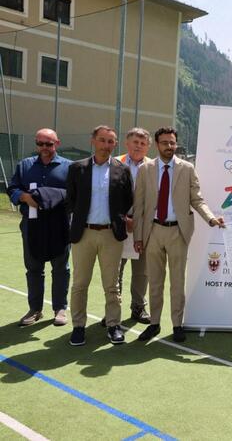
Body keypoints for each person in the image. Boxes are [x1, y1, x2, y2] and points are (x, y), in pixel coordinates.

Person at [133, 127, 224, 343]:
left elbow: (197, 199)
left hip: (178, 231)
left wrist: (211, 218)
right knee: (155, 281)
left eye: (172, 142)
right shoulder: (145, 169)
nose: (169, 146)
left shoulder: (187, 169)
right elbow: (139, 206)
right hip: (153, 231)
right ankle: (154, 323)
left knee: (177, 281)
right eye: (165, 142)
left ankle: (177, 324)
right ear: (157, 144)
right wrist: (138, 236)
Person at [66, 125, 133, 346]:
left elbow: (128, 200)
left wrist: (120, 219)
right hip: (83, 233)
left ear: (115, 144)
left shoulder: (122, 170)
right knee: (80, 284)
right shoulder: (77, 168)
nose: (106, 145)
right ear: (93, 141)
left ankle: (113, 325)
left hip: (110, 235)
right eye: (102, 140)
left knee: (111, 285)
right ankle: (78, 327)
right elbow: (71, 199)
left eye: (111, 141)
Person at [7, 128, 71, 326]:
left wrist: (50, 196)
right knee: (34, 268)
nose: (44, 148)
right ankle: (35, 309)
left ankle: (60, 308)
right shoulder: (25, 165)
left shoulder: (69, 167)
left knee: (61, 267)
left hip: (59, 224)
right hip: (32, 225)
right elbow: (12, 189)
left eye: (49, 144)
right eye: (40, 144)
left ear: (57, 143)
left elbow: (75, 194)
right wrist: (25, 197)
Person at [116, 127, 152, 324]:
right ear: (127, 143)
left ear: (148, 147)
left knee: (142, 271)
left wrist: (138, 221)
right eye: (135, 142)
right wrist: (123, 218)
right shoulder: (114, 162)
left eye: (143, 143)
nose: (138, 146)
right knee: (114, 270)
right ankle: (113, 309)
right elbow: (107, 195)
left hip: (143, 226)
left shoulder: (154, 166)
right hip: (118, 224)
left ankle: (138, 308)